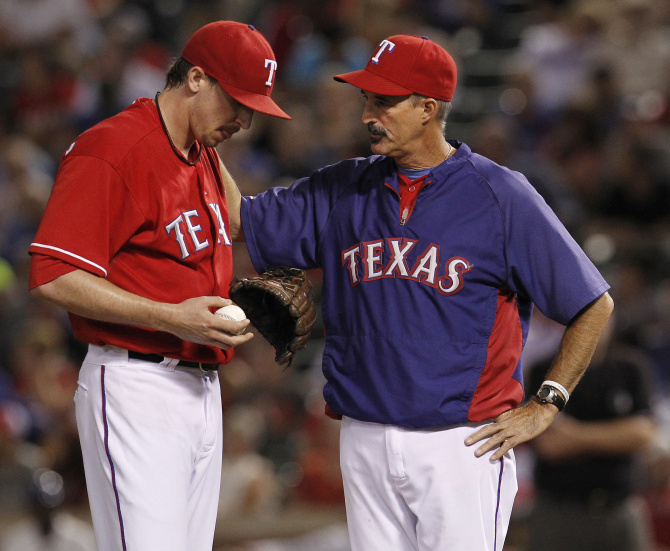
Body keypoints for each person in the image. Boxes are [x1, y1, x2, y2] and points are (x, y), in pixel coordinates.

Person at [225, 34, 614, 551]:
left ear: (428, 108)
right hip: (363, 437)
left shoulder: (500, 195)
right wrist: (197, 139)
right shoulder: (343, 188)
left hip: (463, 442)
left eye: (384, 101)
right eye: (367, 99)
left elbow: (593, 304)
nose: (368, 114)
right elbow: (235, 217)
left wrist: (548, 401)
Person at [27, 20, 290, 551]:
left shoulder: (203, 153)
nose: (243, 119)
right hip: (135, 384)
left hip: (201, 391)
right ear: (195, 78)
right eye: (235, 101)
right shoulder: (114, 148)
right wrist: (173, 315)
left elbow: (242, 223)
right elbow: (52, 274)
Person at [526, 314, 658, 551]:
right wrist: (616, 435)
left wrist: (575, 435)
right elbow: (549, 445)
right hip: (560, 511)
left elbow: (643, 434)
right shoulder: (546, 371)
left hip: (620, 507)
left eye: (602, 315)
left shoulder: (631, 367)